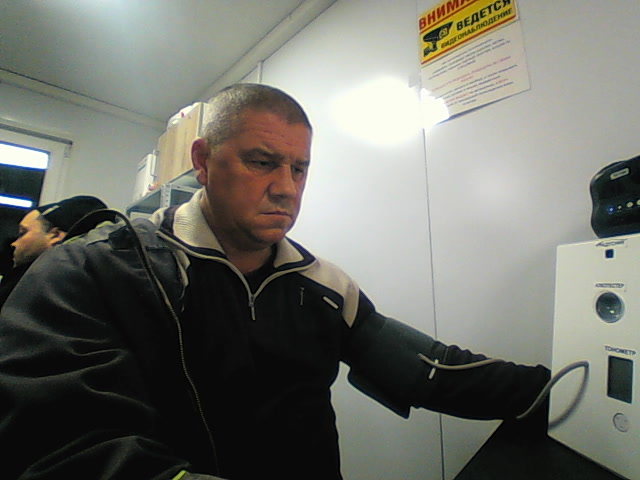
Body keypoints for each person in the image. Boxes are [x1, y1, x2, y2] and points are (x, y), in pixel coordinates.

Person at [0, 84, 550, 480]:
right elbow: (64, 445)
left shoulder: (324, 285)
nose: (287, 188)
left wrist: (555, 391)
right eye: (262, 162)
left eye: (299, 168)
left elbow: (430, 371)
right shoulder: (92, 270)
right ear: (203, 162)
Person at [0, 195, 109, 309]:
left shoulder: (30, 284)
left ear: (55, 236)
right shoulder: (93, 282)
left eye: (23, 233)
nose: (14, 243)